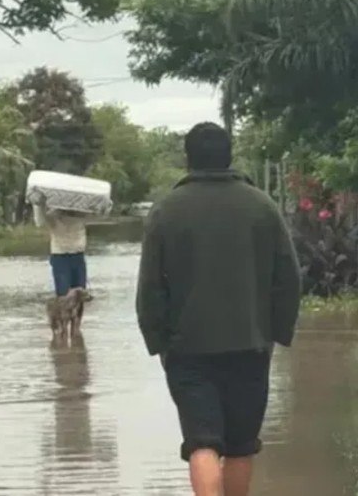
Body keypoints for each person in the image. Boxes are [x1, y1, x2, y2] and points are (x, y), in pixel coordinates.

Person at [136, 122, 302, 496]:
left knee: (202, 442)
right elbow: (289, 279)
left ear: (188, 158)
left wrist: (158, 342)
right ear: (230, 156)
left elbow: (150, 287)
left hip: (187, 350)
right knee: (241, 445)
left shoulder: (166, 211)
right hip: (251, 345)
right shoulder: (262, 206)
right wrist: (276, 333)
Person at [33, 198, 96, 297]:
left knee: (80, 295)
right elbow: (39, 222)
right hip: (61, 257)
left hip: (78, 256)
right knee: (64, 296)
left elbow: (98, 213)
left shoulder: (81, 213)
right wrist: (38, 205)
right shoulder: (53, 215)